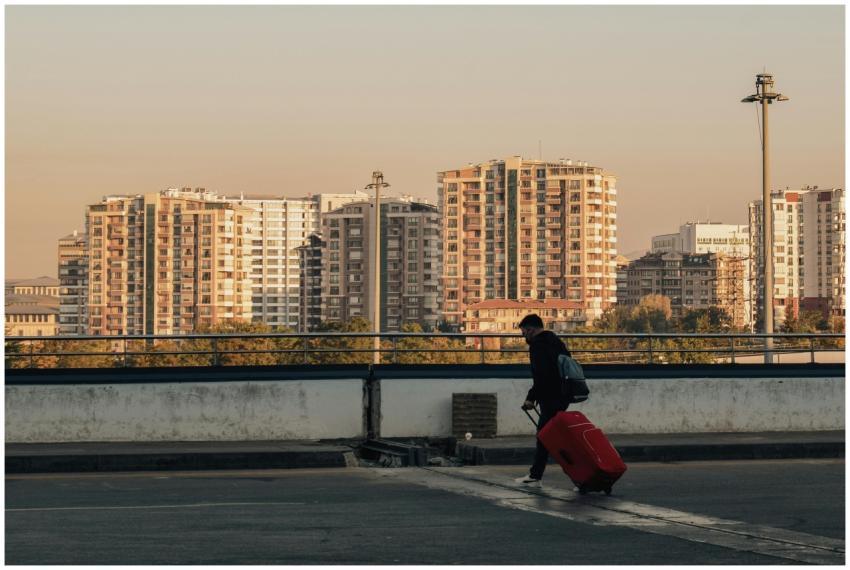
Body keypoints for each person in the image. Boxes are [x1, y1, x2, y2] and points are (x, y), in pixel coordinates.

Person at [515, 313, 571, 488]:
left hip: (551, 397)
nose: (524, 336)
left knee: (545, 437)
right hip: (564, 395)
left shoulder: (538, 346)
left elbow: (542, 376)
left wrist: (531, 398)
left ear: (530, 330)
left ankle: (535, 476)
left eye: (524, 332)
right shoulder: (555, 341)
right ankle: (580, 475)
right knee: (551, 436)